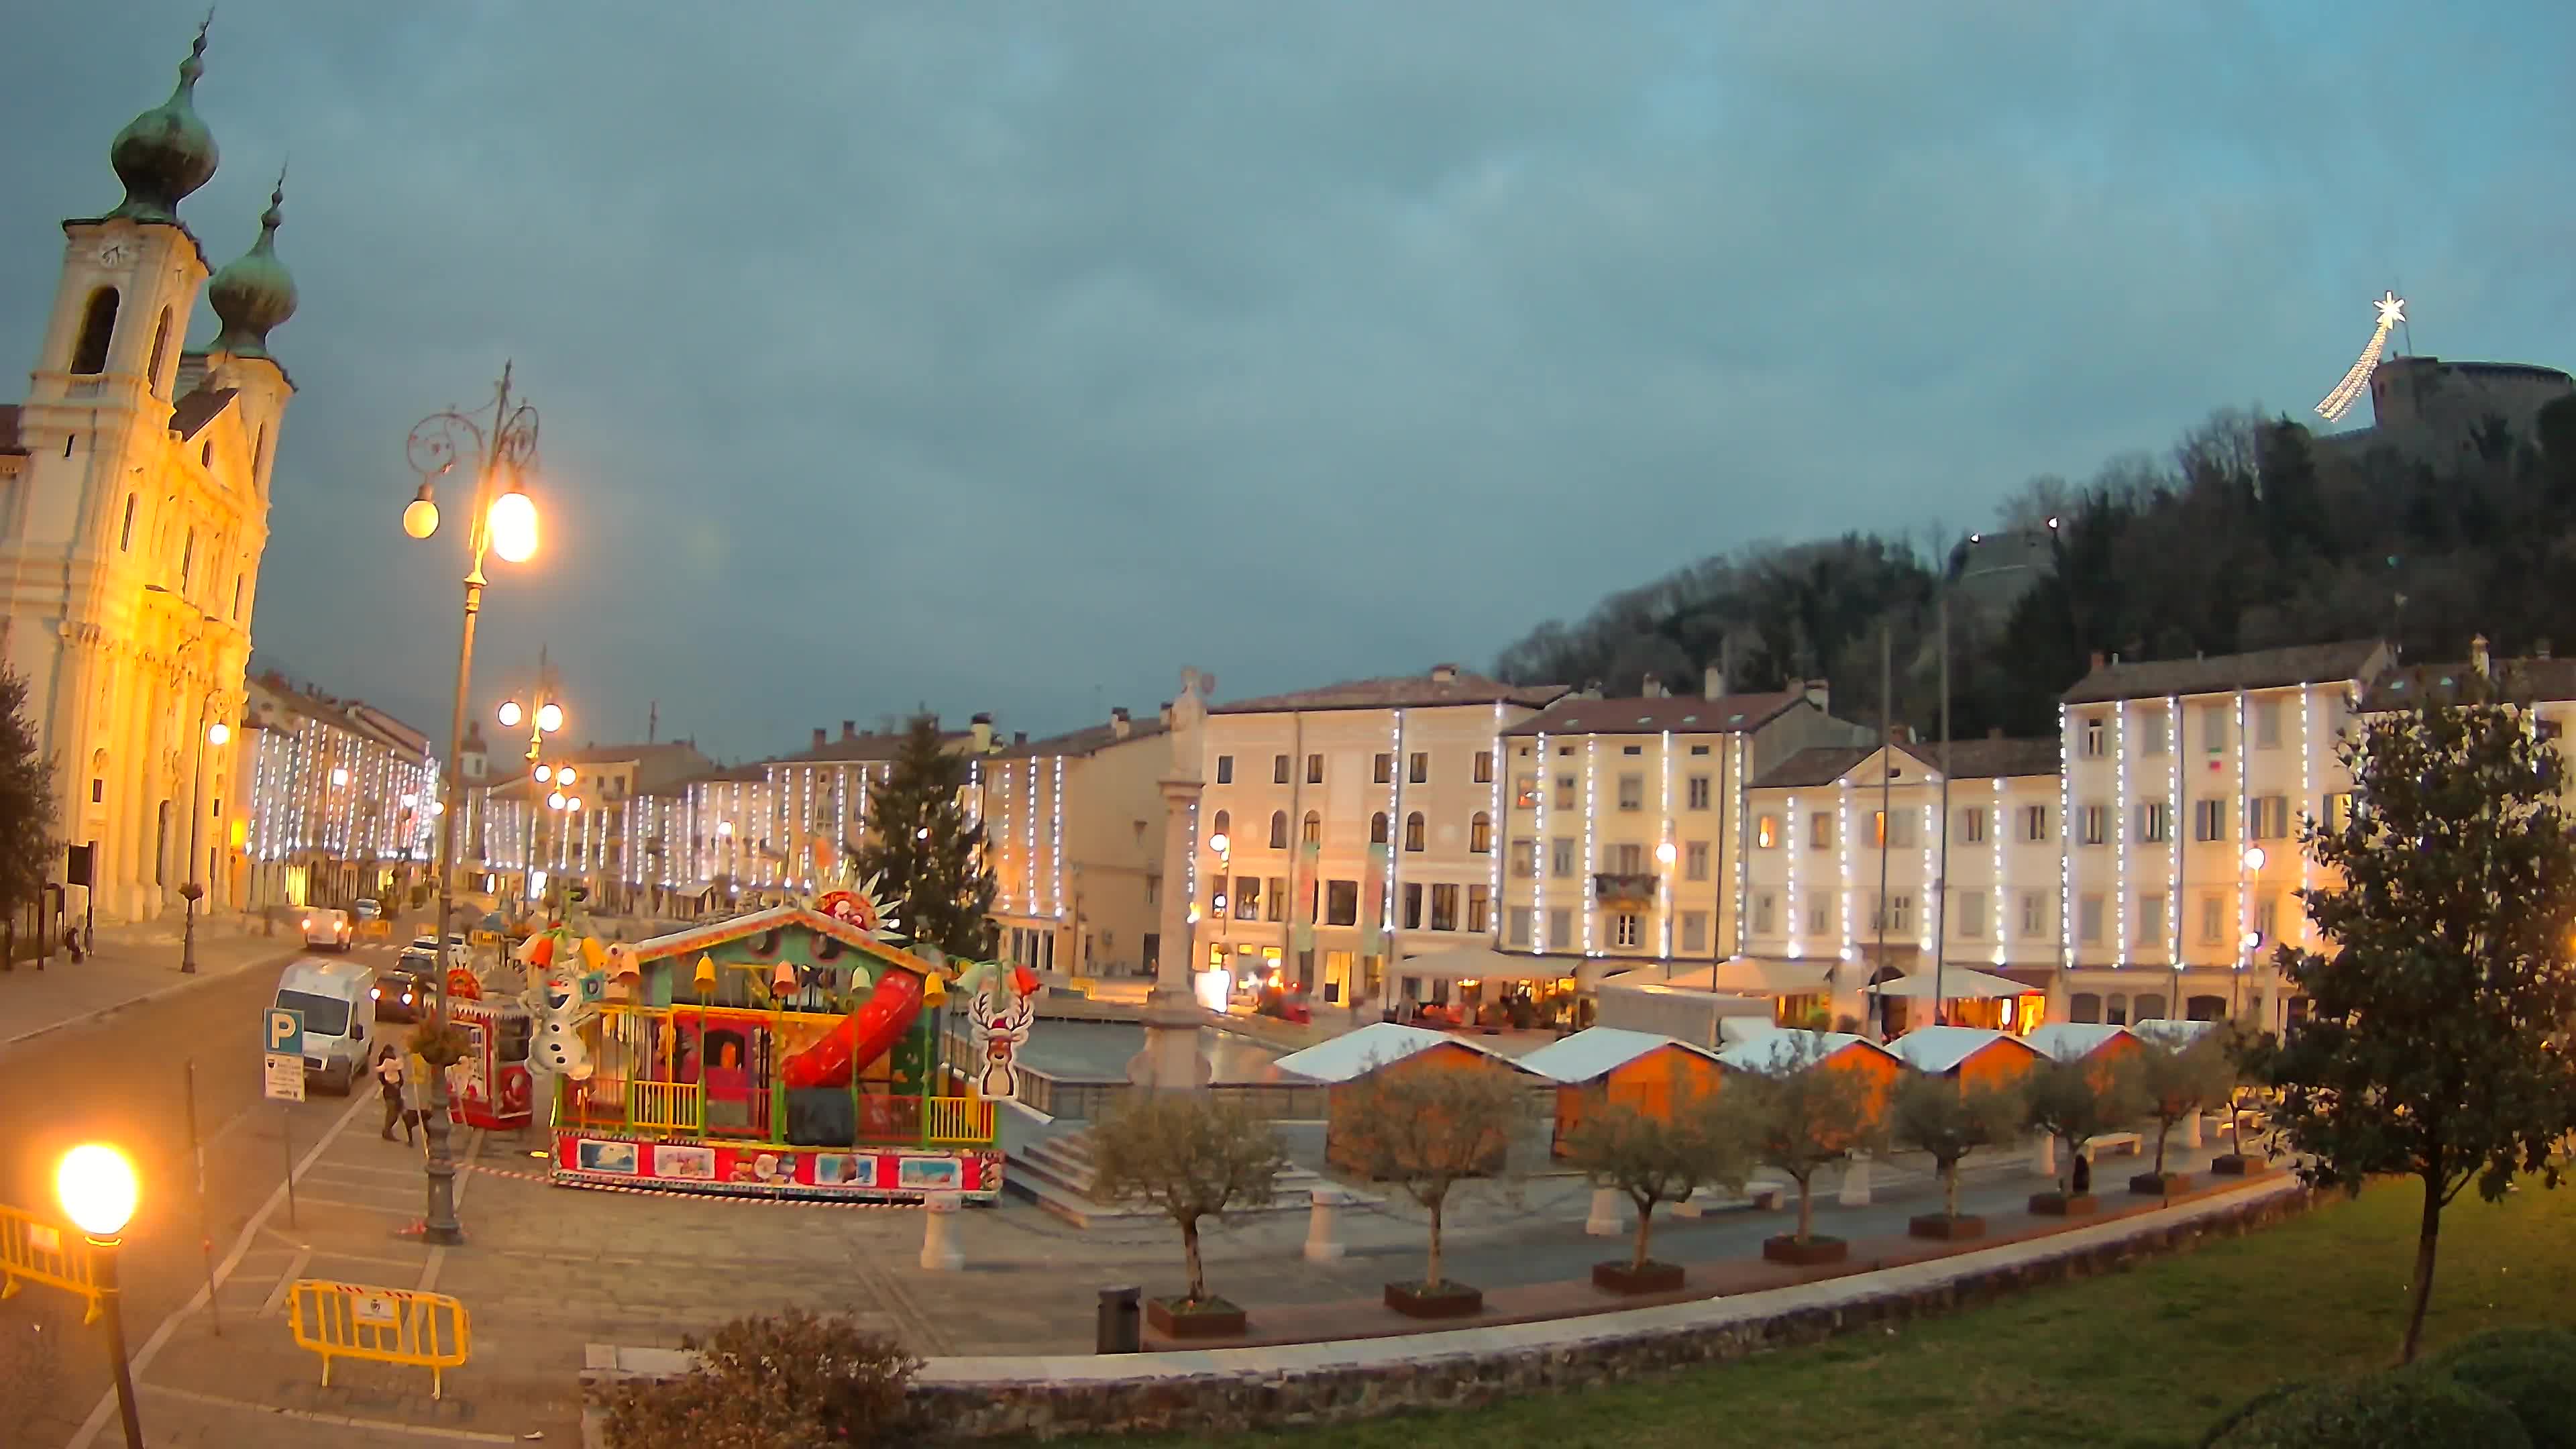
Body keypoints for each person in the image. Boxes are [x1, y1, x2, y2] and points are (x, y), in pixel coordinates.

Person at [375, 1043, 410, 1142]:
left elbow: (400, 1075)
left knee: (395, 1113)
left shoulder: (393, 1063)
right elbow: (383, 1079)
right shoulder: (385, 1065)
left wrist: (399, 1083)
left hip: (396, 1091)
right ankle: (387, 1131)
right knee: (392, 1112)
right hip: (390, 1092)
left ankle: (387, 1130)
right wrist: (392, 1084)